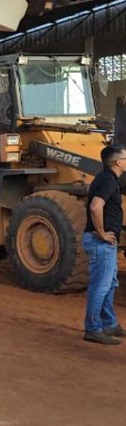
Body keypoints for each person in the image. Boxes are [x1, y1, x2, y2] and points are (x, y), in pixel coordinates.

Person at [81, 144, 126, 345]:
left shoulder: (111, 180)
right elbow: (95, 206)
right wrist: (101, 233)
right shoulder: (107, 180)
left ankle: (109, 324)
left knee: (109, 284)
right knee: (100, 286)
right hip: (100, 242)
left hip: (106, 243)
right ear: (117, 162)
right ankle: (92, 329)